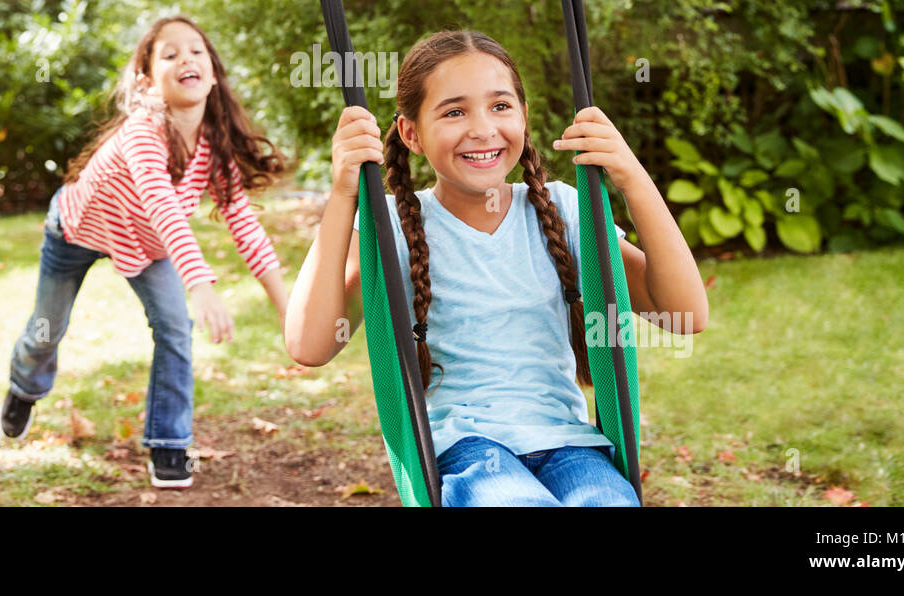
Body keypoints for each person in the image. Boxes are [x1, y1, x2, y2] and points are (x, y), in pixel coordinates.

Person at [284, 29, 707, 506]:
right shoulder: (395, 230)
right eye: (454, 111)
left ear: (523, 118)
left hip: (568, 443)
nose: (482, 128)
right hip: (466, 452)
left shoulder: (564, 212)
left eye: (500, 106)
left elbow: (686, 313)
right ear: (411, 133)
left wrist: (631, 177)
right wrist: (343, 194)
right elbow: (311, 344)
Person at [0, 16, 289, 490]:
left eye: (196, 51)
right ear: (147, 80)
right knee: (47, 329)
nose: (186, 60)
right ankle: (25, 387)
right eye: (170, 54)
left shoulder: (214, 147)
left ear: (213, 73)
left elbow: (243, 222)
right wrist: (202, 284)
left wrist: (286, 309)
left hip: (145, 245)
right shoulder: (143, 131)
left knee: (176, 327)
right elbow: (162, 205)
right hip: (76, 231)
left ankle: (170, 443)